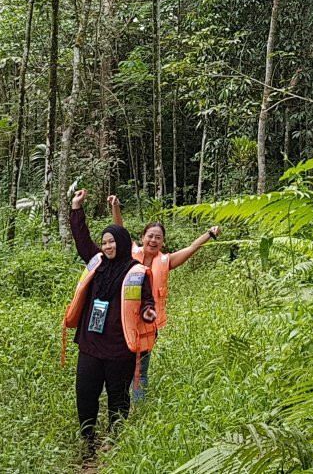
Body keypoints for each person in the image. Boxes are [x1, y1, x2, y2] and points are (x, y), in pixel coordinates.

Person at [69, 190, 220, 400]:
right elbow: (118, 230)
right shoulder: (130, 253)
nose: (153, 240)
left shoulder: (166, 261)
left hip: (147, 321)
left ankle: (137, 406)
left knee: (141, 367)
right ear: (142, 238)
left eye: (158, 237)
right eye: (150, 236)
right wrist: (115, 206)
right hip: (122, 319)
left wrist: (209, 234)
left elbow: (192, 247)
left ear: (163, 242)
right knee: (119, 363)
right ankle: (117, 396)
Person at [62, 200, 156, 452]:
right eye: (104, 242)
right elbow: (82, 241)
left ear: (122, 243)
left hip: (119, 346)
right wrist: (76, 209)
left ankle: (114, 438)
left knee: (118, 396)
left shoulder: (137, 270)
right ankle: (88, 438)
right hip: (90, 344)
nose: (107, 246)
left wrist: (148, 312)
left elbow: (148, 300)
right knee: (85, 392)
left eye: (111, 241)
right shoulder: (97, 263)